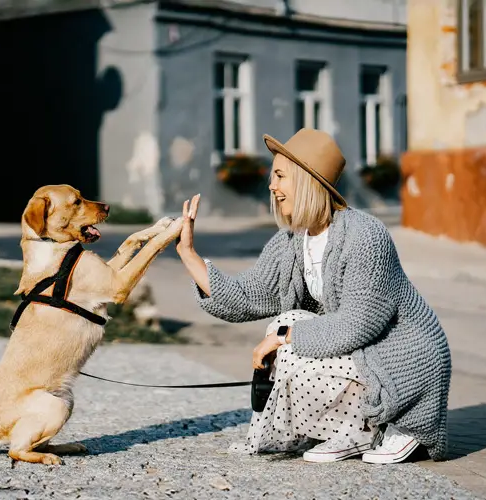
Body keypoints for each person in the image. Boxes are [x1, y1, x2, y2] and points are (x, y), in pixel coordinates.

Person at [175, 128, 452, 464]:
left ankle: (383, 426)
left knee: (287, 334)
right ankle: (350, 429)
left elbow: (358, 324)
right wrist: (189, 254)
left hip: (403, 360)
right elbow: (247, 297)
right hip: (363, 354)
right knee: (286, 323)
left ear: (307, 180)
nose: (271, 186)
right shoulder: (292, 240)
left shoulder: (366, 236)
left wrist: (282, 339)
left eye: (280, 176)